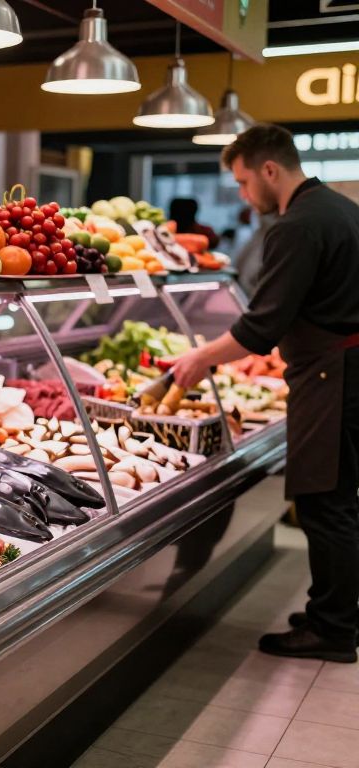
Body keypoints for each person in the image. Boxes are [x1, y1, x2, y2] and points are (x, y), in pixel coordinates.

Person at [169, 123, 359, 663]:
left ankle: (333, 630)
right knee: (340, 500)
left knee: (326, 504)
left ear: (270, 170)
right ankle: (335, 610)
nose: (245, 197)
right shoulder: (341, 210)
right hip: (344, 368)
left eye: (245, 183)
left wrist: (200, 358)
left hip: (332, 375)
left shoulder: (296, 224)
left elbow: (261, 327)